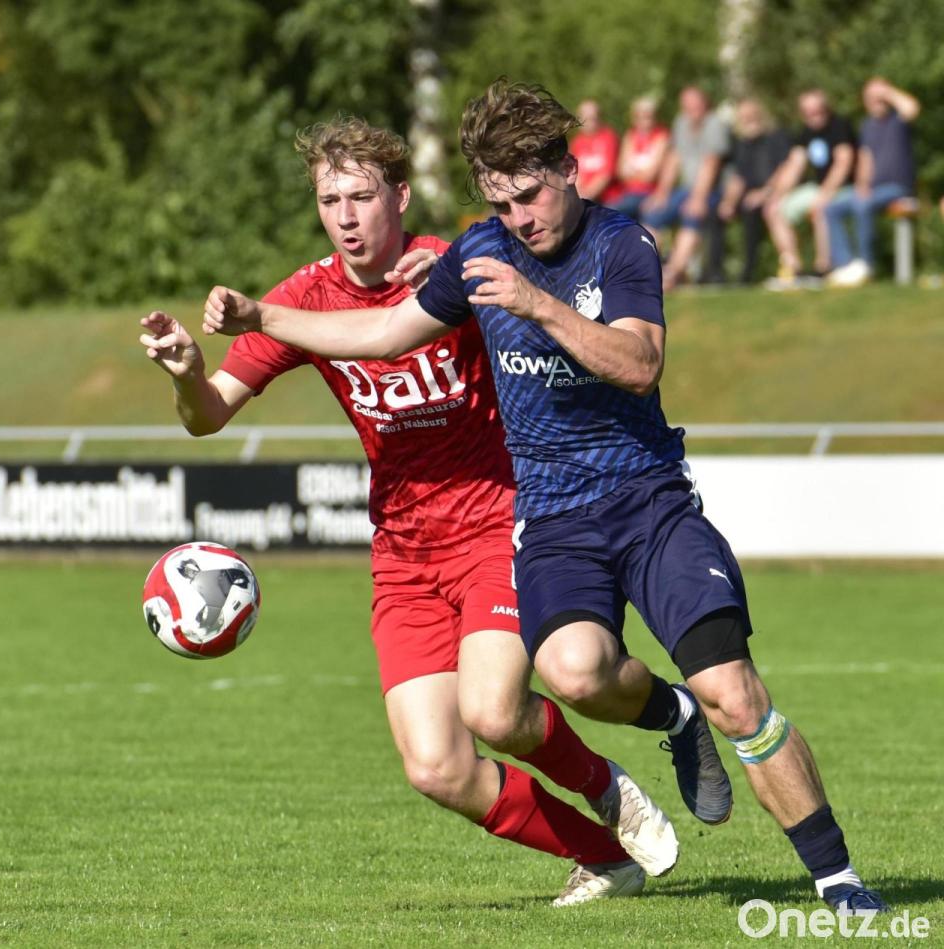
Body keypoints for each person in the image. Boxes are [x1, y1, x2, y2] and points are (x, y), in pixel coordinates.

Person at [201, 80, 888, 915]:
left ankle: (840, 883)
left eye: (530, 195)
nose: (520, 219)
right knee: (572, 672)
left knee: (735, 692)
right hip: (555, 519)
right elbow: (380, 333)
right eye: (501, 202)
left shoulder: (622, 243)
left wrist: (536, 303)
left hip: (647, 501)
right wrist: (261, 316)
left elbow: (640, 365)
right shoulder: (478, 253)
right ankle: (672, 718)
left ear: (569, 169)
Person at [139, 116, 689, 908]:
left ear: (399, 195)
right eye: (330, 200)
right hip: (403, 551)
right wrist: (188, 374)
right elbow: (208, 414)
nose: (346, 216)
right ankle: (604, 858)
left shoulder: (458, 264)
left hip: (499, 521)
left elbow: (560, 321)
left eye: (362, 196)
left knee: (493, 711)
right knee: (436, 766)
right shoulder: (305, 300)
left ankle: (605, 784)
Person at [825, 78, 920, 288]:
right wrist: (862, 185)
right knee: (831, 208)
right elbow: (865, 159)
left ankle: (867, 265)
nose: (876, 101)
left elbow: (912, 108)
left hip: (898, 188)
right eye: (871, 97)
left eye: (879, 97)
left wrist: (887, 92)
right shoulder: (867, 126)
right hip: (874, 189)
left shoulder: (898, 120)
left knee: (862, 204)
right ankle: (846, 264)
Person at [640, 86, 731, 289]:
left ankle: (673, 273)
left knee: (692, 216)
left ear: (705, 103)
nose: (692, 109)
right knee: (653, 215)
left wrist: (698, 198)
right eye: (688, 106)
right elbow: (674, 159)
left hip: (713, 190)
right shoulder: (681, 123)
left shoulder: (715, 124)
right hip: (687, 188)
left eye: (696, 104)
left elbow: (712, 163)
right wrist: (661, 193)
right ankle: (644, 271)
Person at [763, 89, 855, 288]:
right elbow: (795, 166)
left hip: (845, 188)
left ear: (826, 109)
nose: (814, 117)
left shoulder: (839, 126)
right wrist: (777, 195)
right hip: (818, 188)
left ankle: (823, 267)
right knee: (774, 210)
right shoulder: (805, 132)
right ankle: (793, 268)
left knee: (821, 208)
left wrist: (825, 194)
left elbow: (843, 164)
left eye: (818, 111)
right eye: (809, 113)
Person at [717, 99, 792, 284]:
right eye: (744, 117)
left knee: (750, 211)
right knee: (716, 214)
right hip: (751, 195)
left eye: (751, 116)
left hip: (775, 192)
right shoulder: (743, 144)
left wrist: (765, 193)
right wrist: (728, 202)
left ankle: (749, 271)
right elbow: (739, 178)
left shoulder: (776, 137)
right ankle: (715, 273)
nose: (748, 121)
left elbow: (784, 169)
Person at [612, 96, 670, 220]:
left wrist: (632, 173)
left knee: (613, 212)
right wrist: (640, 173)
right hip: (627, 192)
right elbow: (620, 172)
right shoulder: (630, 136)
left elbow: (651, 176)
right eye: (639, 116)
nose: (643, 120)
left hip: (649, 193)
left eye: (648, 116)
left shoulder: (661, 136)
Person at [568, 99, 626, 208]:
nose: (588, 122)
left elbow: (606, 175)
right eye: (584, 118)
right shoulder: (577, 142)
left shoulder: (609, 138)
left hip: (608, 198)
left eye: (592, 118)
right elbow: (574, 174)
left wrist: (586, 197)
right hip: (583, 196)